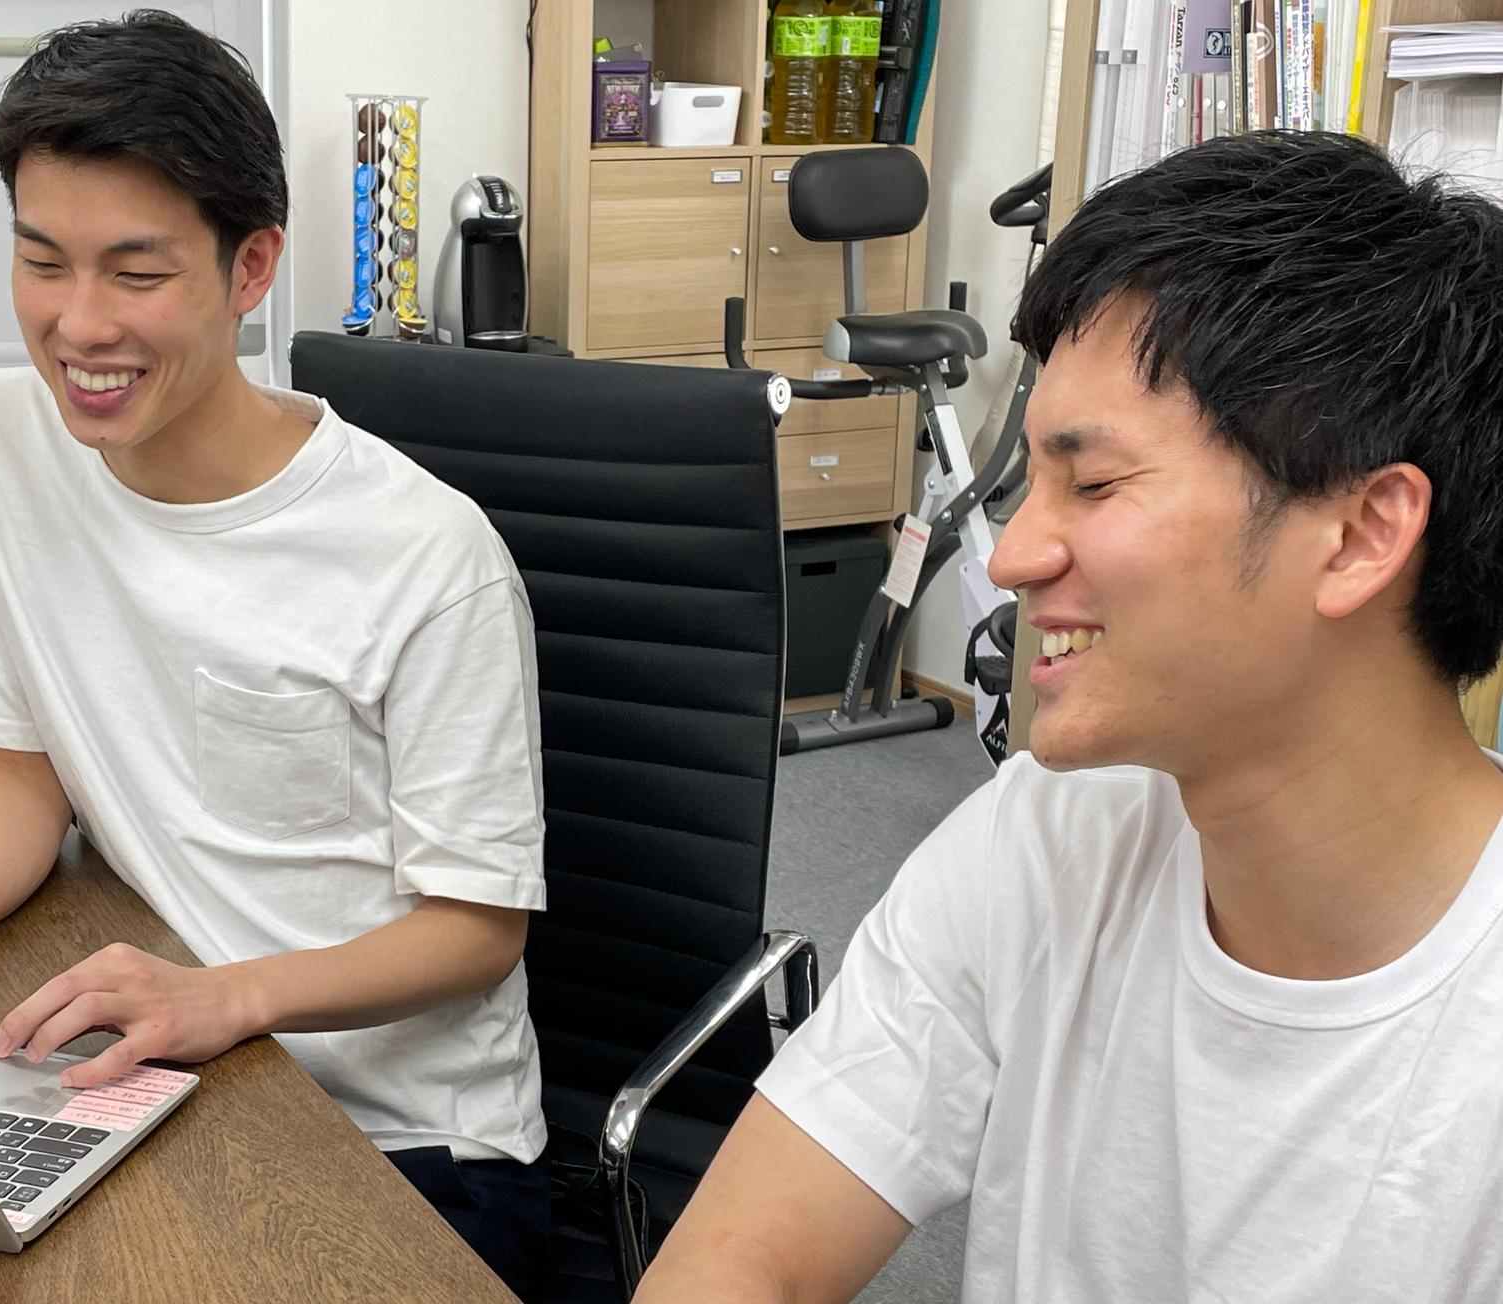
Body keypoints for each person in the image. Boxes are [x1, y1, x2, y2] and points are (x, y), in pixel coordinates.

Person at [634, 130, 1503, 1302]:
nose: (1011, 558)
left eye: (1091, 483)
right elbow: (742, 1261)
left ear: (1357, 535)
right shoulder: (1044, 831)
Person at [0, 10, 549, 1291]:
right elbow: (22, 771)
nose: (78, 325)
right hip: (134, 1076)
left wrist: (224, 996)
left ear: (251, 268)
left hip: (402, 1145)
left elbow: (477, 928)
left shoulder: (428, 555)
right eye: (42, 262)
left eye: (136, 274)